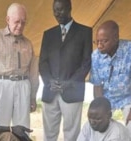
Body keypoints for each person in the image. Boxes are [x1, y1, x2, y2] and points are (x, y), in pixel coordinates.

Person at [39, 0, 92, 140]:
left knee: (72, 135)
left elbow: (87, 63)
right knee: (49, 134)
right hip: (50, 91)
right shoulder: (48, 34)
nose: (57, 13)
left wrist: (69, 82)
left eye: (61, 9)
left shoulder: (85, 32)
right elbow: (42, 63)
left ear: (70, 8)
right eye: (55, 10)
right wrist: (49, 81)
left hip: (73, 91)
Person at [89, 20, 131, 141]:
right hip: (106, 98)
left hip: (129, 98)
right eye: (97, 42)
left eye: (104, 41)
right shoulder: (96, 56)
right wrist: (100, 109)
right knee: (100, 129)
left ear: (116, 37)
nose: (100, 45)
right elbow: (97, 85)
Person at [0, 3, 39, 129]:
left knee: (23, 128)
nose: (20, 26)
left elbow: (34, 72)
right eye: (17, 21)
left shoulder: (28, 43)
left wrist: (33, 96)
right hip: (0, 84)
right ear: (7, 19)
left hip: (22, 85)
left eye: (23, 22)